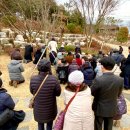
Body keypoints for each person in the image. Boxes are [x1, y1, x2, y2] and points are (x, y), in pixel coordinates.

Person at [91, 57, 123, 130]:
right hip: (112, 107)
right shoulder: (120, 80)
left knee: (98, 126)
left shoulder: (98, 79)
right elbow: (119, 94)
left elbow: (92, 92)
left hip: (99, 107)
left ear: (102, 67)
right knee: (109, 127)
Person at [30, 59, 61, 130]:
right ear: (49, 67)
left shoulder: (33, 79)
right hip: (50, 108)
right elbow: (58, 93)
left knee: (40, 125)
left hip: (38, 109)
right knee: (49, 125)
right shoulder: (54, 79)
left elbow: (32, 92)